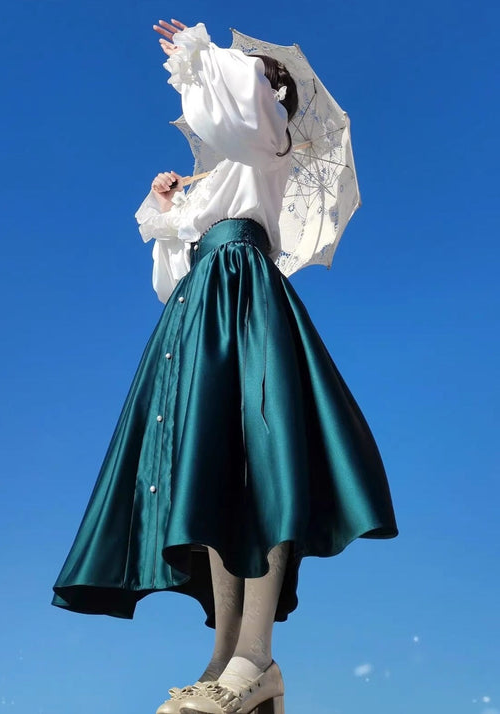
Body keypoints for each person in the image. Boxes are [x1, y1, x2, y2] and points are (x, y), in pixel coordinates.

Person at [52, 18, 398, 714]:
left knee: (260, 468)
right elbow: (168, 277)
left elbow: (245, 113)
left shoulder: (271, 141)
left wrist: (201, 55)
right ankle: (223, 657)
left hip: (243, 295)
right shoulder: (213, 177)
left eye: (262, 79)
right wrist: (168, 209)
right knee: (210, 472)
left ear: (273, 98)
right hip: (199, 306)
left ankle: (255, 656)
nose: (248, 81)